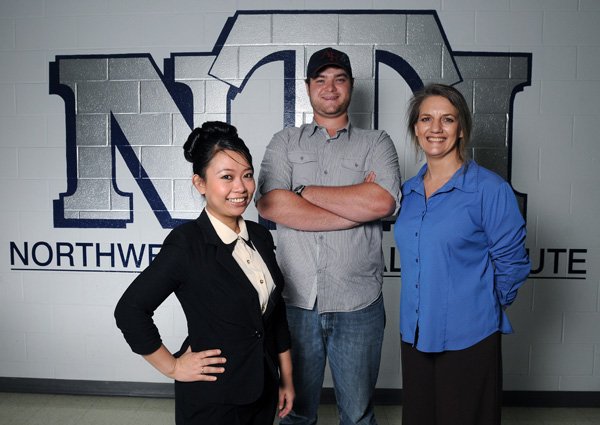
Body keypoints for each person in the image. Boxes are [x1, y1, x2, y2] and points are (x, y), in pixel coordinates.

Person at [256, 47, 402, 425]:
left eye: (339, 79)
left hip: (359, 302)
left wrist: (303, 191)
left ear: (351, 86)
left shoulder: (377, 142)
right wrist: (353, 209)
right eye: (320, 80)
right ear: (307, 88)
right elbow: (270, 204)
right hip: (294, 303)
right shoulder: (285, 141)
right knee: (295, 414)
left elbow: (383, 202)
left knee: (357, 415)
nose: (330, 87)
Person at [114, 121, 294, 425]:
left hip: (262, 389)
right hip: (213, 399)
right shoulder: (187, 243)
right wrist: (172, 366)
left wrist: (286, 378)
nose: (241, 187)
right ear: (200, 184)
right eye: (227, 177)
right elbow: (130, 310)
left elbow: (275, 316)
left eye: (247, 175)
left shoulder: (260, 237)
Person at [394, 83, 531, 425]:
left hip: (470, 336)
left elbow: (512, 263)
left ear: (461, 129)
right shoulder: (408, 192)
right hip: (415, 334)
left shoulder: (489, 189)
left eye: (447, 119)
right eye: (426, 119)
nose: (435, 128)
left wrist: (480, 305)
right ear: (416, 129)